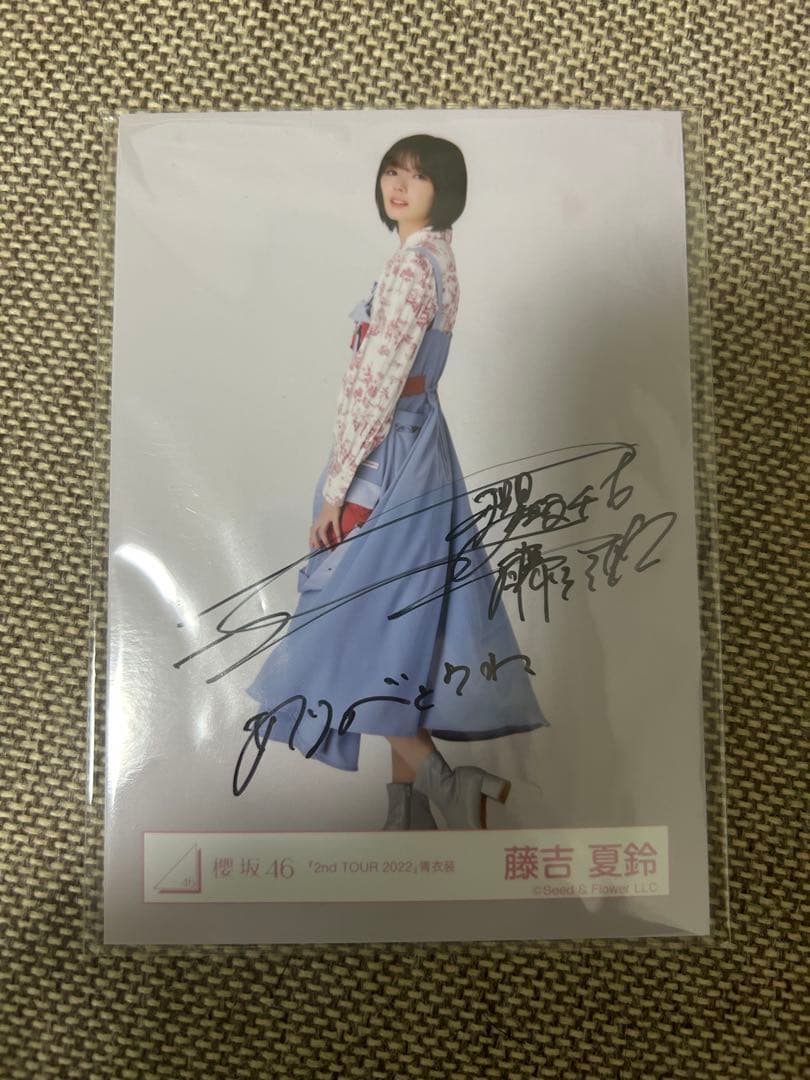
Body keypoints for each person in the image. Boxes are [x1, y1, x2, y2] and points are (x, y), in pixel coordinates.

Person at [245, 133, 549, 829]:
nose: (399, 186)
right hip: (421, 450)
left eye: (418, 176)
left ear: (446, 190)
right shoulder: (438, 259)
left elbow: (376, 387)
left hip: (384, 459)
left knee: (348, 624)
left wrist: (337, 487)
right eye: (392, 171)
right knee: (395, 631)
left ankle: (446, 781)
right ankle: (406, 813)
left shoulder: (412, 268)